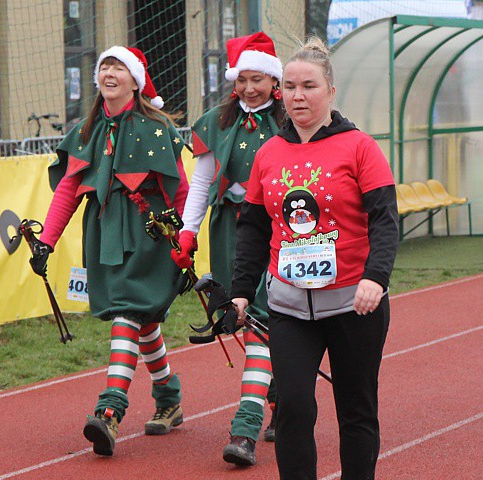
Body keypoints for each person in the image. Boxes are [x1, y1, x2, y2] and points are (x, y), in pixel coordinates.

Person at [229, 36, 398, 479]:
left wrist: (375, 278)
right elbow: (252, 226)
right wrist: (241, 292)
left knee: (356, 411)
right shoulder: (269, 153)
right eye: (290, 87)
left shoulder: (360, 147)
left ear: (330, 92)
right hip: (288, 308)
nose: (298, 96)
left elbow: (384, 219)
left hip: (353, 305)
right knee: (293, 409)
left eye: (309, 86)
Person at [29, 46, 189, 456]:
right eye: (104, 67)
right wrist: (46, 240)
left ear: (136, 81)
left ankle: (110, 410)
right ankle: (169, 397)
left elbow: (183, 188)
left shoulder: (157, 128)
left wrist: (186, 240)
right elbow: (67, 189)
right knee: (142, 317)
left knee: (127, 312)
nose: (109, 73)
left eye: (118, 67)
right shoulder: (86, 131)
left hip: (151, 233)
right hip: (104, 232)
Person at [171, 31, 283, 467]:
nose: (250, 88)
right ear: (233, 82)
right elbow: (201, 183)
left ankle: (247, 425)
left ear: (274, 81)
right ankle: (278, 399)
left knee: (264, 320)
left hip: (280, 233)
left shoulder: (291, 120)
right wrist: (187, 232)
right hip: (231, 231)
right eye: (243, 80)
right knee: (249, 317)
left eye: (258, 79)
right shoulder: (217, 122)